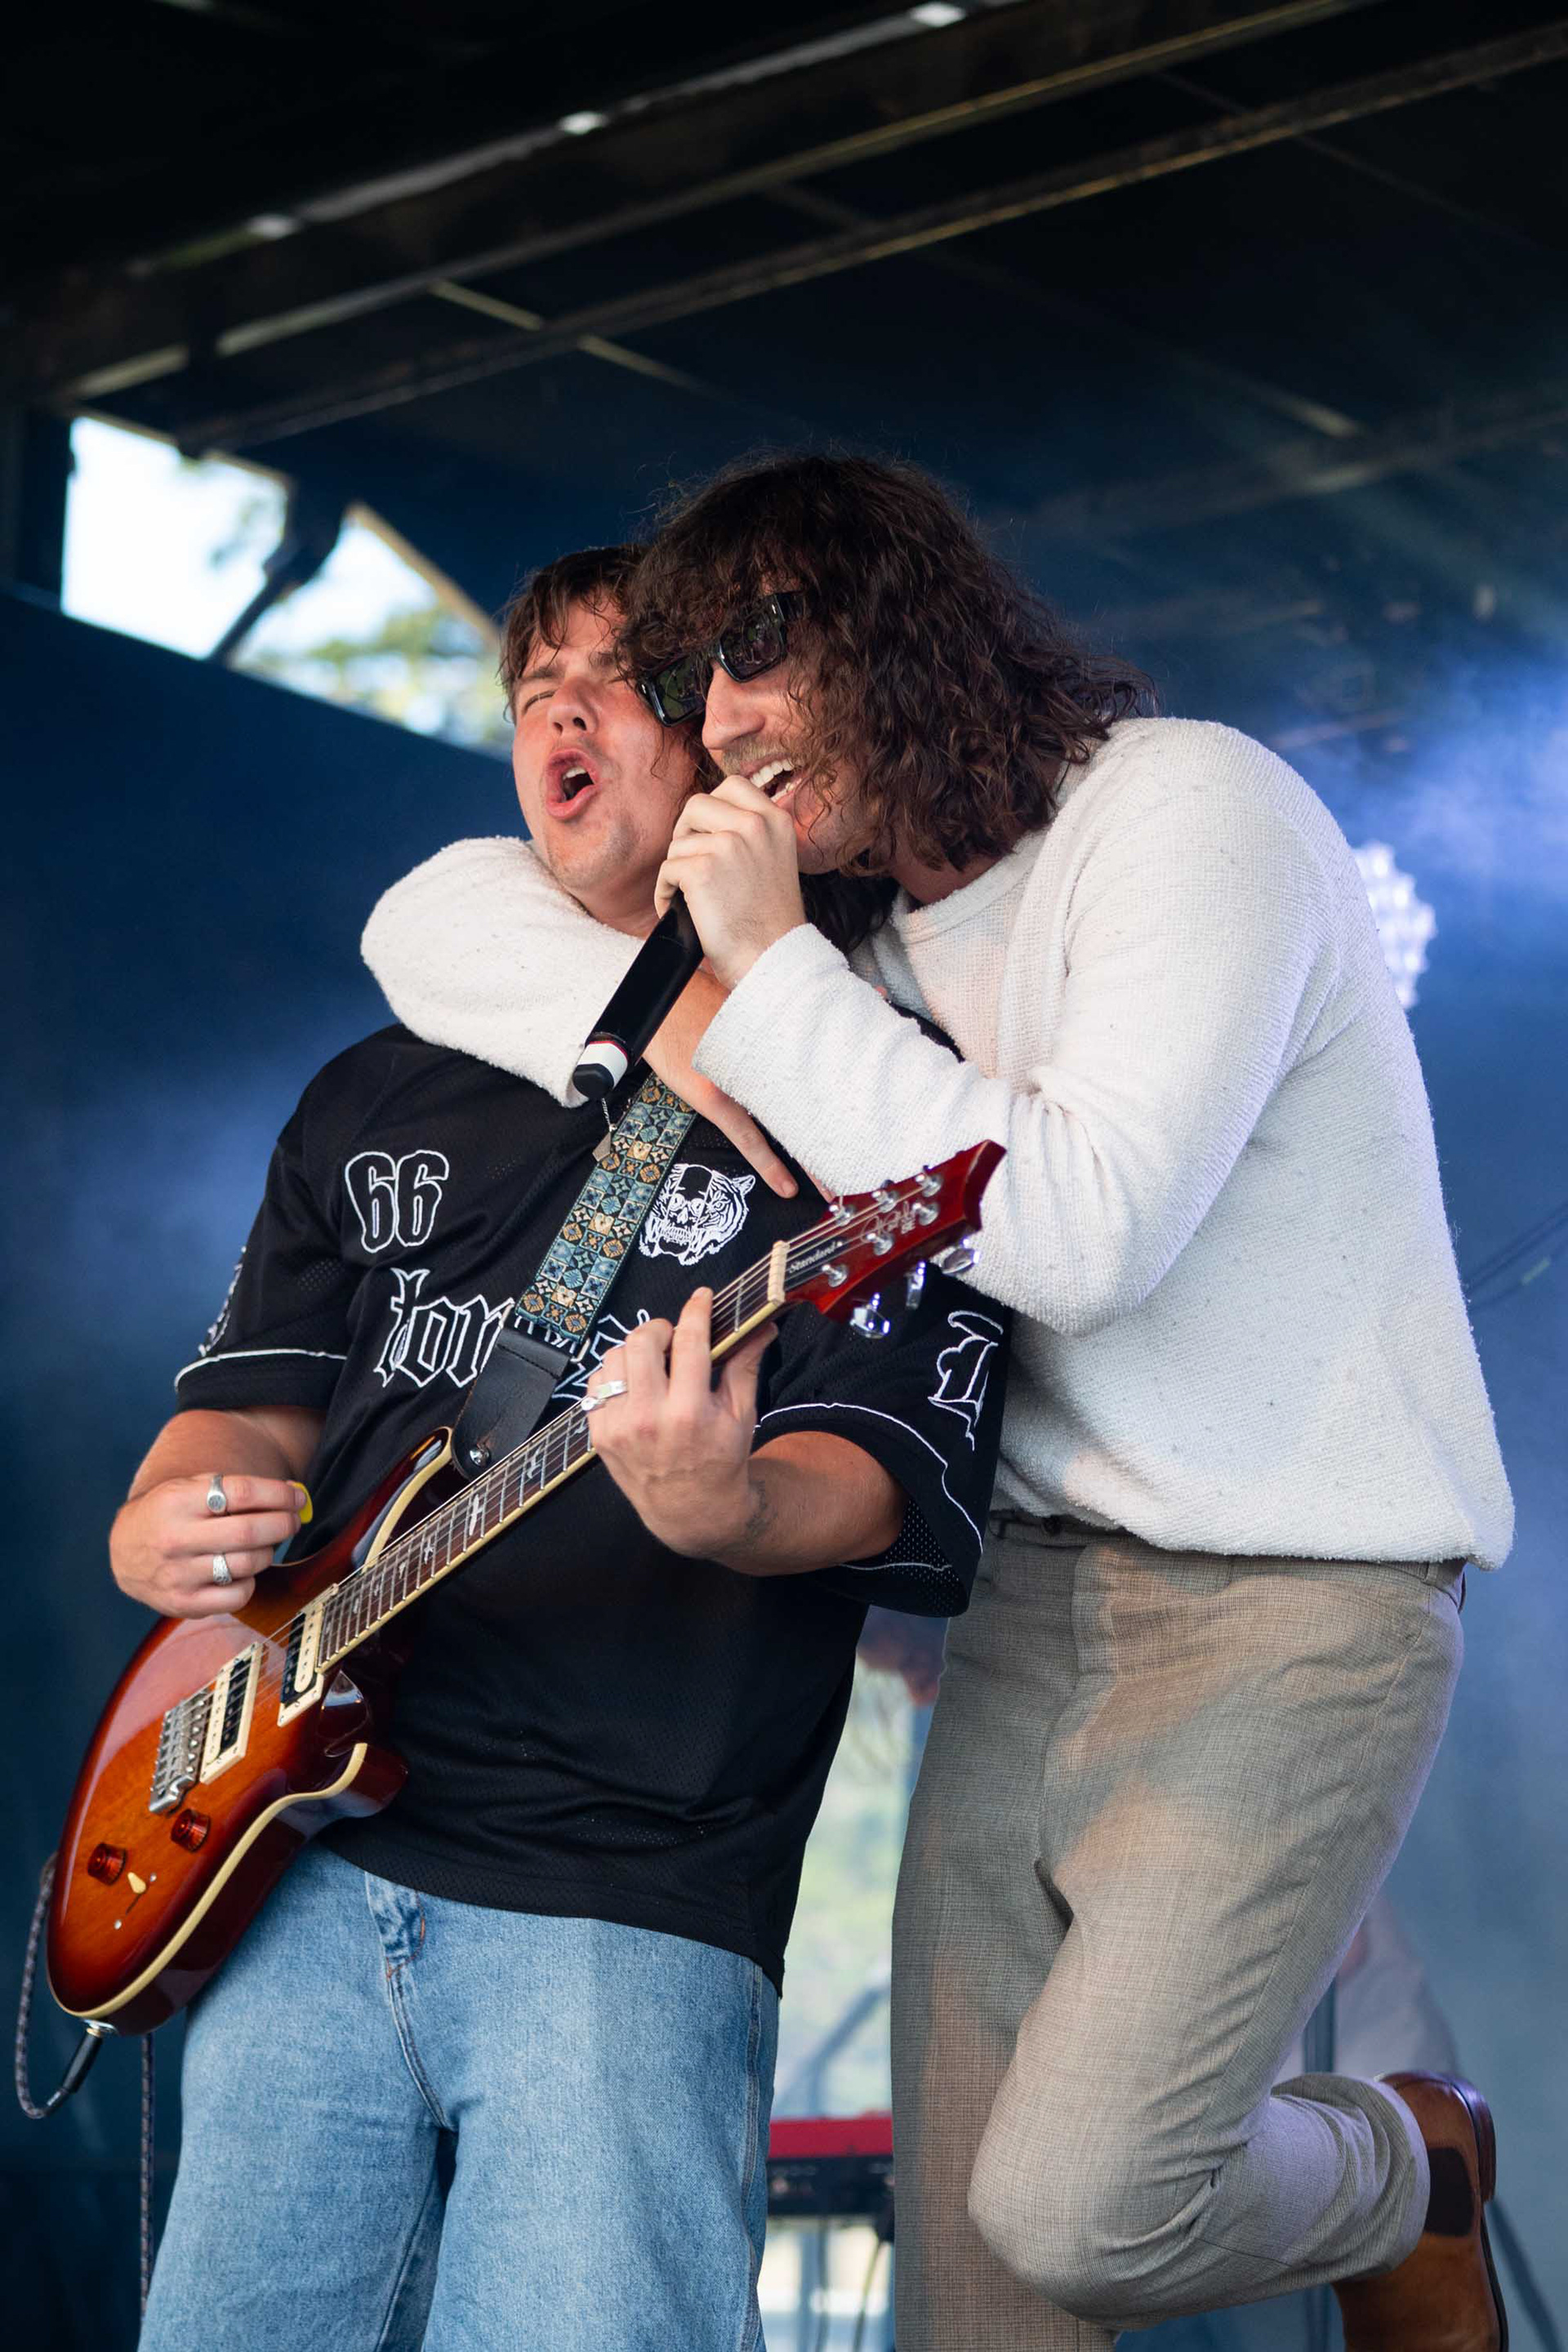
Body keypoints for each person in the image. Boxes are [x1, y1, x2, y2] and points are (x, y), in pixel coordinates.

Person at [365, 455, 1514, 2352]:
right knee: (980, 2306)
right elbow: (433, 913)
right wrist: (690, 1009)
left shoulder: (1188, 811)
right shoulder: (852, 937)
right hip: (1032, 1611)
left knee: (1085, 2210)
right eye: (692, 688)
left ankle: (1407, 2167)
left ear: (899, 621)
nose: (725, 721)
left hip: (1300, 1603)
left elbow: (1072, 1233)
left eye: (755, 652)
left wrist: (765, 973)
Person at [118, 541, 1008, 2352]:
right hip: (295, 1860)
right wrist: (160, 1514)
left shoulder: (867, 1081)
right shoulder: (382, 1077)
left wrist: (732, 1502)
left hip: (625, 1901)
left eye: (620, 683)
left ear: (728, 742)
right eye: (537, 691)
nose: (564, 718)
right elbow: (248, 1402)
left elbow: (889, 1479)